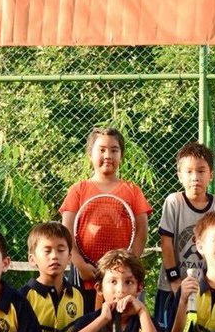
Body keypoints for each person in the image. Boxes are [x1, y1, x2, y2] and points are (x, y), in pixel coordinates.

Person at [58, 127, 151, 298]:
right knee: (84, 315)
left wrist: (128, 265)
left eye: (114, 150)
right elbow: (67, 232)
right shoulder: (78, 190)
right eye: (101, 150)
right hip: (84, 276)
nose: (108, 155)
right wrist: (81, 265)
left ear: (121, 156)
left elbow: (141, 232)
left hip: (120, 280)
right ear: (90, 155)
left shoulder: (133, 190)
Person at [157, 142, 215, 332]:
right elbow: (166, 243)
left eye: (201, 171)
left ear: (211, 174)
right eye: (188, 172)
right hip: (171, 286)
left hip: (206, 288)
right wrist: (174, 280)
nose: (195, 177)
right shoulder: (174, 202)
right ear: (179, 175)